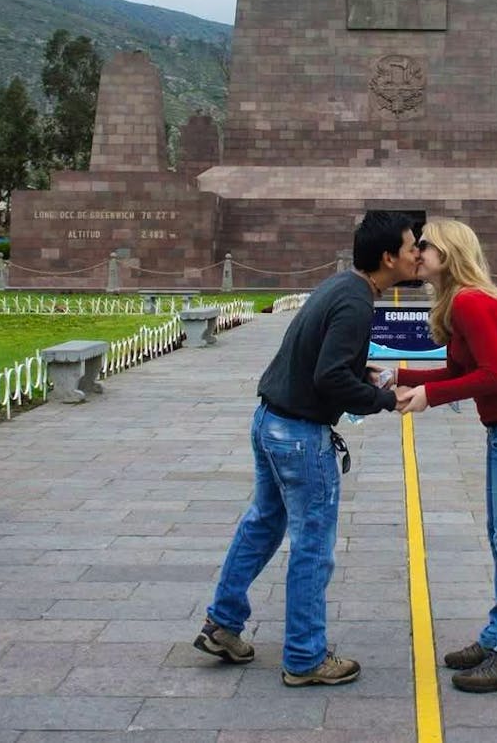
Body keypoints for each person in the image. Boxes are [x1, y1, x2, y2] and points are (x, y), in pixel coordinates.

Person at [193, 211, 418, 687]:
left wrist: (366, 376)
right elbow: (329, 376)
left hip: (270, 420)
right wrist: (384, 399)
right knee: (313, 545)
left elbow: (325, 360)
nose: (418, 253)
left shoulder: (342, 287)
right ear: (388, 257)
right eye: (411, 246)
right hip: (298, 435)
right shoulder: (356, 302)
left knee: (263, 524)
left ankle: (222, 624)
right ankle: (304, 656)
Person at [394, 219, 497, 693]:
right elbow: (458, 371)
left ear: (447, 252)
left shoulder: (470, 302)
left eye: (424, 245)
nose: (417, 252)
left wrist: (429, 398)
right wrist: (399, 377)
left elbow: (495, 377)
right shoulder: (462, 302)